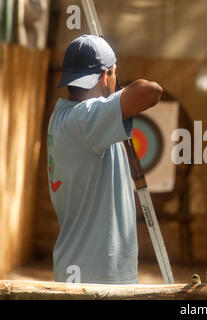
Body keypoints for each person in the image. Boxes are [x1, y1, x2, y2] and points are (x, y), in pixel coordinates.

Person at [47, 34, 163, 284]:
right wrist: (117, 92)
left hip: (82, 270)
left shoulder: (62, 115)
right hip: (94, 275)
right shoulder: (86, 120)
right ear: (103, 77)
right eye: (114, 73)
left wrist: (112, 88)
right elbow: (151, 91)